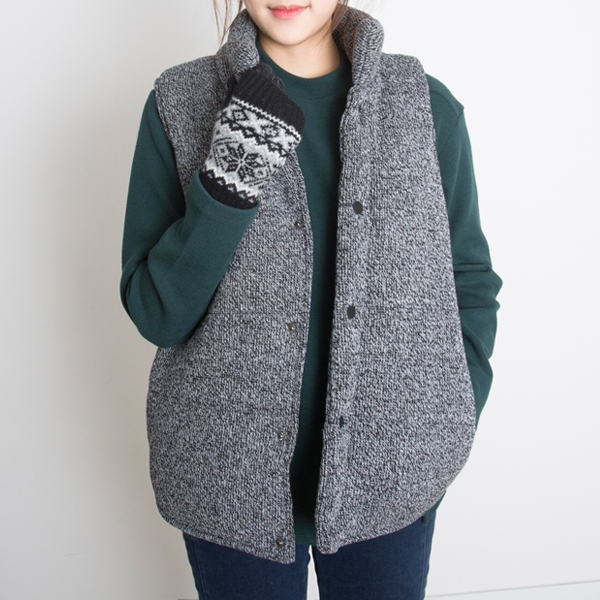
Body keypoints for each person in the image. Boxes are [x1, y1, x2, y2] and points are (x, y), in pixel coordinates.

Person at [120, 1, 502, 598]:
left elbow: (469, 280)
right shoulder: (180, 101)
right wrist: (233, 169)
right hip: (228, 480)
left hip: (394, 471)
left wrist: (449, 409)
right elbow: (156, 311)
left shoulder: (423, 106)